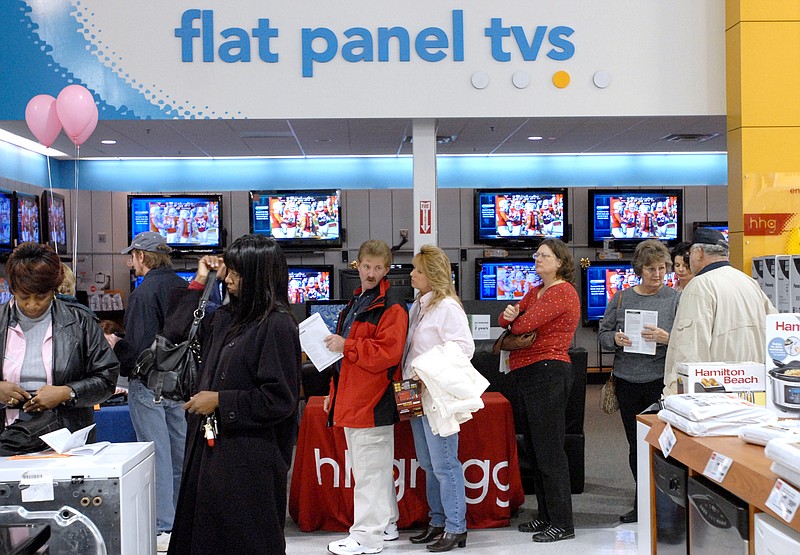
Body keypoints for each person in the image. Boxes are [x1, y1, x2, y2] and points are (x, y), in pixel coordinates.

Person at [163, 234, 301, 555]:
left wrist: (221, 401)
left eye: (236, 272)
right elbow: (176, 330)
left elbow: (279, 399)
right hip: (211, 456)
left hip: (250, 465)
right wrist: (200, 280)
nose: (228, 278)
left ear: (257, 275)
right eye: (229, 270)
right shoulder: (227, 318)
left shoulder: (277, 325)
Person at [324, 239, 409, 555]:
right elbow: (347, 360)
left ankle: (367, 538)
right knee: (373, 471)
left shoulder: (391, 306)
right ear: (357, 266)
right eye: (367, 266)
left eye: (378, 268)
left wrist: (346, 346)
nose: (371, 273)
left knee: (370, 473)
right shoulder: (357, 302)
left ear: (386, 269)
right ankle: (385, 527)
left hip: (372, 402)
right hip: (355, 400)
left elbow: (389, 353)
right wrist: (334, 393)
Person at [498, 238, 579, 543]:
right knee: (535, 448)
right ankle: (546, 516)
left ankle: (562, 522)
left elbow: (520, 325)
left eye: (545, 255)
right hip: (530, 374)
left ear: (560, 262)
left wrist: (514, 318)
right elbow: (504, 318)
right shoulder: (537, 291)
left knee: (549, 452)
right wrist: (513, 317)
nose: (538, 259)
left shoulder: (562, 292)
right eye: (537, 255)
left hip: (548, 372)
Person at [0, 243, 118, 452]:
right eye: (24, 297)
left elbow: (106, 378)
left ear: (55, 290)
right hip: (6, 441)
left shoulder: (80, 321)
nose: (33, 305)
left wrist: (67, 392)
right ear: (12, 290)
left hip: (67, 440)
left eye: (42, 296)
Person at [114, 231, 189, 552]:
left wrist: (118, 351)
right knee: (180, 453)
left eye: (132, 256)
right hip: (182, 384)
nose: (131, 263)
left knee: (156, 455)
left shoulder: (144, 293)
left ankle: (162, 526)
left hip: (149, 386)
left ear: (142, 257)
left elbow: (140, 347)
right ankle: (181, 519)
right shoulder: (186, 287)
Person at [597, 239, 680, 524]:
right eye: (651, 269)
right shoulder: (621, 298)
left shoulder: (675, 299)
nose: (658, 275)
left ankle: (666, 502)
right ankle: (642, 498)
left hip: (660, 382)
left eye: (662, 268)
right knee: (636, 444)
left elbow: (686, 341)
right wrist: (615, 339)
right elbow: (603, 335)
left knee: (663, 443)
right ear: (639, 269)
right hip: (627, 380)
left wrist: (666, 338)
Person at [402, 245, 475, 552]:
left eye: (418, 270)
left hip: (435, 396)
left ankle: (456, 527)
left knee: (445, 464)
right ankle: (437, 521)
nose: (412, 274)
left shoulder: (448, 308)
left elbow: (464, 349)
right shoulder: (418, 306)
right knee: (428, 464)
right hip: (412, 392)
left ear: (432, 275)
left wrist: (427, 372)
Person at [664, 227, 777, 396]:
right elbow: (775, 329)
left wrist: (677, 394)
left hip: (715, 391)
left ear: (699, 253)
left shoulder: (700, 285)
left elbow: (690, 347)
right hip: (754, 387)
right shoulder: (748, 281)